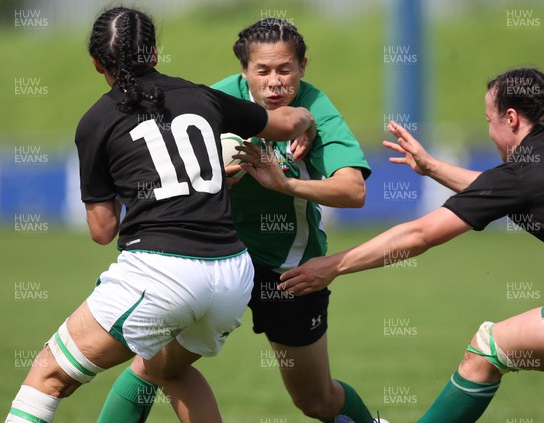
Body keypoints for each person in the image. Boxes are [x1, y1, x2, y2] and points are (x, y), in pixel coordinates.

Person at [5, 7, 316, 423]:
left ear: (97, 62)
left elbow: (102, 230)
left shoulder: (96, 122)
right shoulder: (202, 96)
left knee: (47, 377)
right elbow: (289, 121)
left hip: (163, 273)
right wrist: (308, 121)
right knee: (169, 370)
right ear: (154, 54)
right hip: (231, 277)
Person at [98, 18, 388, 423]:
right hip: (218, 258)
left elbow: (353, 191)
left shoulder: (317, 109)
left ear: (303, 66)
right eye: (262, 71)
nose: (274, 83)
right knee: (152, 366)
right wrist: (213, 179)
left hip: (290, 270)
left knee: (316, 401)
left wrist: (284, 185)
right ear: (244, 71)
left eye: (285, 70)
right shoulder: (214, 100)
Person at [278, 67, 544, 422]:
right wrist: (433, 167)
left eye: (489, 120)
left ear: (512, 119)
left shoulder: (524, 174)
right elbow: (504, 191)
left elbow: (419, 235)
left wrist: (333, 266)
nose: (489, 131)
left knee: (487, 350)